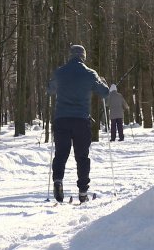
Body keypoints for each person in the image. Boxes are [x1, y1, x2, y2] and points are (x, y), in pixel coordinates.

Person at [47, 45, 109, 203]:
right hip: (81, 120)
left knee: (61, 154)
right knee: (82, 156)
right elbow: (104, 93)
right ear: (84, 56)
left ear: (70, 55)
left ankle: (58, 181)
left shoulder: (60, 72)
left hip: (61, 119)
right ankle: (82, 192)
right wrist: (102, 82)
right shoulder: (89, 73)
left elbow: (50, 90)